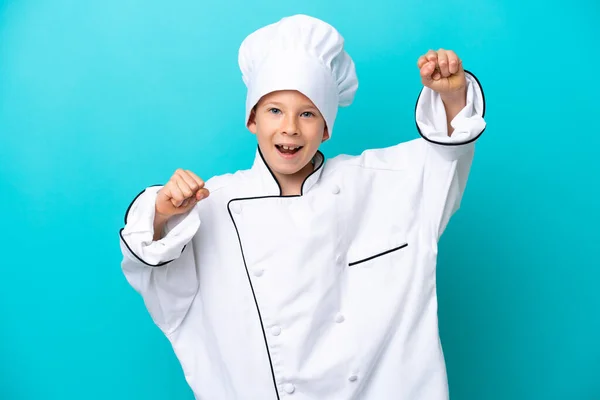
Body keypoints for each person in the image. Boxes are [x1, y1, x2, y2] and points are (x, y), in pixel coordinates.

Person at [119, 14, 486, 400]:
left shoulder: (377, 182)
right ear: (252, 120)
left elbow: (445, 157)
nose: (290, 127)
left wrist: (452, 96)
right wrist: (162, 213)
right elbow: (156, 270)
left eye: (308, 113)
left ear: (326, 127)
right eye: (275, 110)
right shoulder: (214, 202)